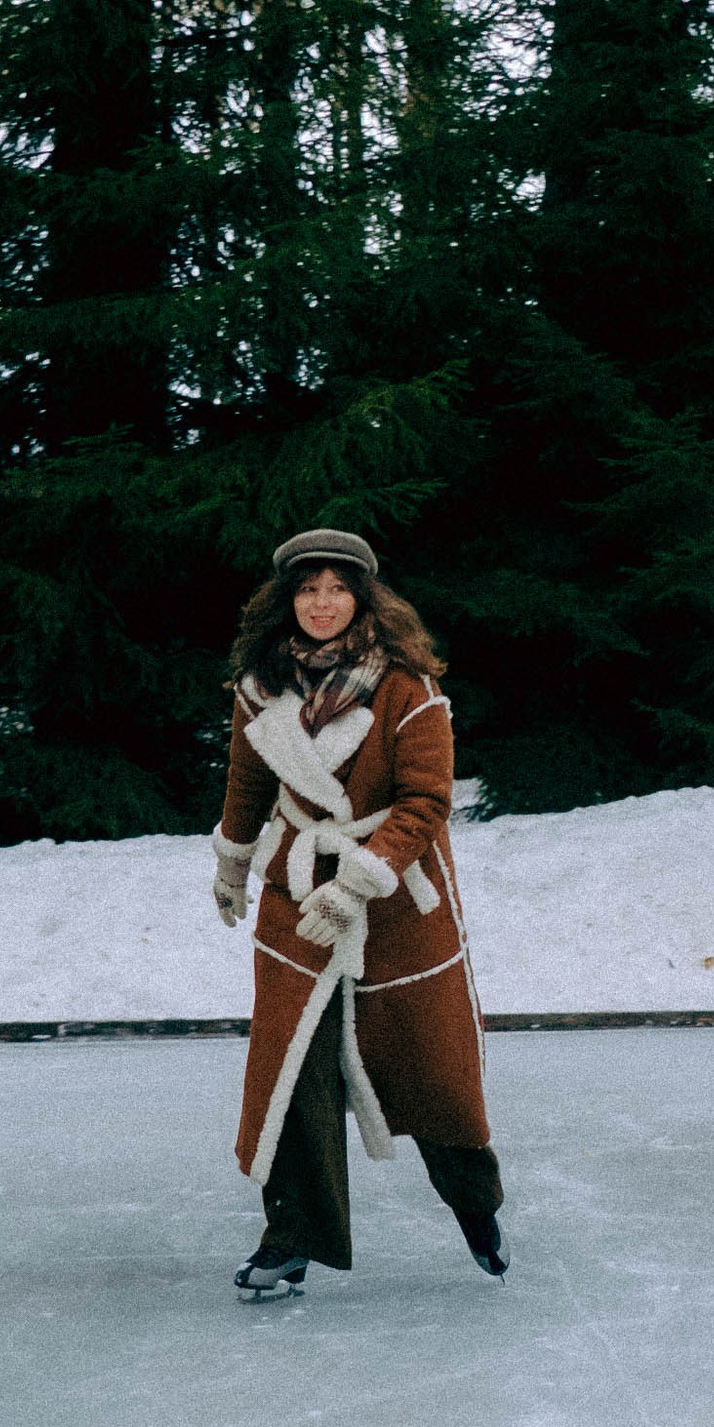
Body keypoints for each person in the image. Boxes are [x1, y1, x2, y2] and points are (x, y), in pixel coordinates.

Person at [211, 527, 506, 1301]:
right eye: (308, 589)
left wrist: (358, 883)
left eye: (336, 588)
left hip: (395, 903)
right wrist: (233, 862)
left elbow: (428, 802)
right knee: (292, 1072)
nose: (321, 603)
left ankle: (477, 1208)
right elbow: (247, 784)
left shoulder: (409, 689)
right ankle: (291, 1239)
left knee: (432, 1070)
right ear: (289, 600)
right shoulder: (260, 687)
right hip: (296, 895)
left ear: (362, 598)